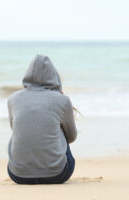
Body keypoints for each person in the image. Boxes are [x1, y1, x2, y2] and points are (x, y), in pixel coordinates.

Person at [6, 54, 77, 184]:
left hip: (18, 176)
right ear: (54, 77)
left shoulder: (13, 98)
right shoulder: (62, 100)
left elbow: (15, 130)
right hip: (58, 174)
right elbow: (71, 137)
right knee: (57, 127)